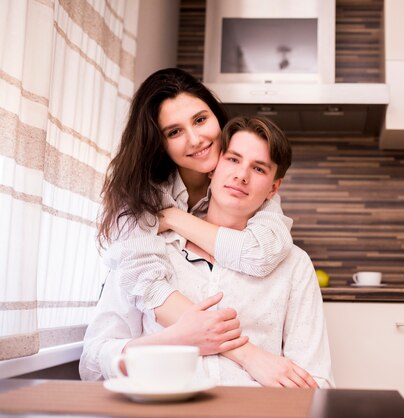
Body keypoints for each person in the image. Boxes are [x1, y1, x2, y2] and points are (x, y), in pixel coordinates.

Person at [80, 116, 333, 388]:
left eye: (258, 169)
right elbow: (92, 365)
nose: (241, 175)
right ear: (213, 168)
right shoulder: (146, 252)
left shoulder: (293, 265)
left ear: (274, 187)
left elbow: (315, 383)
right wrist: (177, 338)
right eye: (233, 160)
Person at [95, 68, 293, 354]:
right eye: (174, 132)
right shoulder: (138, 197)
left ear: (216, 116)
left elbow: (258, 253)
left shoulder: (241, 181)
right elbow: (149, 289)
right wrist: (247, 355)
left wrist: (175, 219)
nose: (196, 139)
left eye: (200, 120)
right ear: (159, 143)